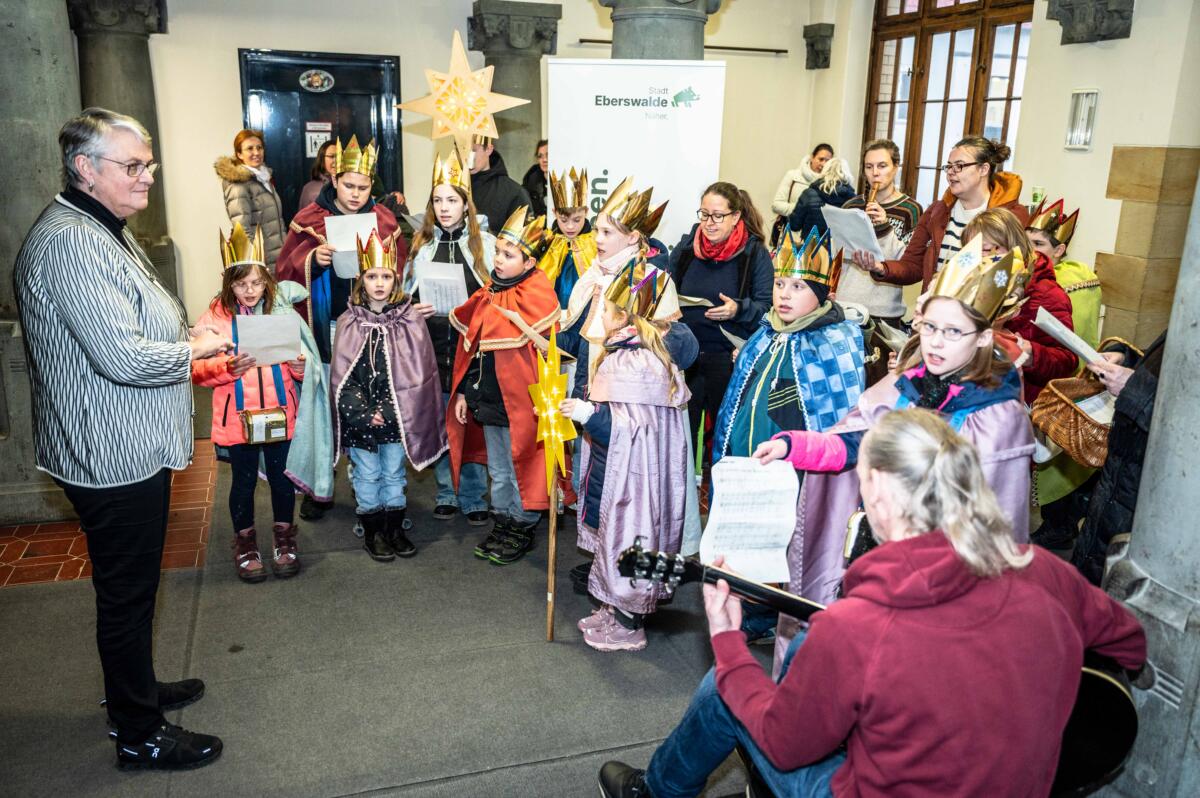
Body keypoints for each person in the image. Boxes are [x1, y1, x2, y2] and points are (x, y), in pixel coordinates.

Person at [597, 408, 1147, 798]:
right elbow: (1128, 641)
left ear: (879, 493)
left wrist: (727, 644)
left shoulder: (859, 629)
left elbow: (785, 746)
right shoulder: (1042, 567)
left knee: (727, 689)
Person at [14, 107, 229, 769]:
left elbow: (132, 323)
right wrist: (199, 350)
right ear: (85, 169)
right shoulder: (71, 240)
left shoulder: (100, 224)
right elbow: (124, 359)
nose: (147, 177)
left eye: (149, 164)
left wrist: (187, 343)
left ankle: (136, 691)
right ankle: (138, 731)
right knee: (127, 591)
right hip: (110, 450)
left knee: (131, 589)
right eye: (133, 166)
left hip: (124, 440)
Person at [753, 238, 1034, 645]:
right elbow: (857, 443)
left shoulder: (997, 417)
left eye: (953, 332)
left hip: (940, 572)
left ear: (984, 338)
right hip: (877, 550)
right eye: (930, 328)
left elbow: (995, 524)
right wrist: (793, 446)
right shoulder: (907, 386)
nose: (935, 343)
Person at [713, 228, 866, 645]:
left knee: (788, 537)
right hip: (752, 455)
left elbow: (838, 414)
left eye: (798, 286)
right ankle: (753, 603)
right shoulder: (766, 331)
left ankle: (778, 611)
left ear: (820, 292)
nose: (784, 294)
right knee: (755, 532)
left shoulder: (835, 339)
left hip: (796, 465)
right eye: (780, 284)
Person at [565, 262, 693, 652]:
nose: (599, 315)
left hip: (637, 479)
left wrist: (588, 414)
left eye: (604, 308)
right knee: (612, 537)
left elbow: (629, 428)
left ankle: (628, 623)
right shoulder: (627, 353)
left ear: (624, 318)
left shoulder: (640, 363)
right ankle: (611, 606)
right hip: (616, 468)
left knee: (631, 538)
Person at [276, 136, 405, 520]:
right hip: (329, 328)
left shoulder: (384, 221)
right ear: (334, 179)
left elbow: (400, 272)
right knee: (325, 405)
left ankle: (373, 485)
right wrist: (312, 257)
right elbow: (284, 274)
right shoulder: (311, 219)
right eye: (349, 185)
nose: (355, 194)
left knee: (368, 405)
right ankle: (319, 486)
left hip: (373, 332)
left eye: (363, 187)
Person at [448, 207, 574, 564]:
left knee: (525, 465)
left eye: (508, 255)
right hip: (488, 398)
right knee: (500, 469)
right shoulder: (488, 292)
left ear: (530, 261)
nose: (498, 260)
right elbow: (472, 348)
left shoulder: (538, 293)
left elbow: (547, 356)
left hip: (523, 403)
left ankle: (523, 524)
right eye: (498, 253)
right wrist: (461, 391)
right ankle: (502, 520)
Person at [191, 225, 311, 582]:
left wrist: (300, 367)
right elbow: (197, 370)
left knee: (281, 479)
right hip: (236, 417)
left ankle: (284, 539)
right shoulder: (213, 318)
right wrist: (227, 367)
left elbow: (304, 361)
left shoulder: (282, 311)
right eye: (241, 284)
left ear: (267, 282)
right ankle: (245, 543)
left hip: (280, 412)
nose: (249, 290)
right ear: (228, 282)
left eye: (257, 283)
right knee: (242, 482)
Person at [331, 232, 447, 561]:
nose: (379, 283)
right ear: (361, 279)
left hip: (397, 418)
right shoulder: (349, 322)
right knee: (367, 475)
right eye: (372, 276)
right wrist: (365, 412)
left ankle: (394, 528)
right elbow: (342, 377)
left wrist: (387, 410)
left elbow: (417, 376)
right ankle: (373, 531)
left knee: (394, 474)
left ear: (395, 280)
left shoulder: (409, 320)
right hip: (361, 421)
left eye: (385, 276)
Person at [405, 149, 495, 525]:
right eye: (438, 200)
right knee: (442, 417)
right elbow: (403, 298)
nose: (444, 208)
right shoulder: (421, 246)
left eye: (452, 200)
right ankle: (446, 490)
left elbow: (498, 295)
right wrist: (413, 310)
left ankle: (474, 494)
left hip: (471, 348)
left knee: (470, 418)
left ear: (465, 205)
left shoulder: (485, 245)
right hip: (433, 345)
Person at [667, 181, 773, 469]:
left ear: (736, 216)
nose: (709, 223)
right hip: (685, 360)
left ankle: (720, 503)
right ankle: (684, 508)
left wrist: (737, 309)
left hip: (729, 360)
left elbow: (767, 307)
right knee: (680, 442)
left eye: (717, 216)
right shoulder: (688, 247)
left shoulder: (754, 254)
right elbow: (664, 286)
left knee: (727, 441)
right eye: (704, 214)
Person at [1024, 198, 1104, 550]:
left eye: (1039, 244)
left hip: (1067, 382)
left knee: (1061, 454)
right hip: (1039, 376)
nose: (1030, 250)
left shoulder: (1072, 282)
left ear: (1060, 249)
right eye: (1026, 241)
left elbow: (1072, 342)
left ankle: (1061, 526)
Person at [864, 135, 1028, 290]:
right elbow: (913, 265)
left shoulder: (1011, 215)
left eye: (959, 166)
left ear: (984, 169)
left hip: (981, 314)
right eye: (949, 166)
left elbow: (1019, 270)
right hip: (933, 311)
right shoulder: (937, 212)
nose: (951, 172)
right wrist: (881, 267)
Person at [1071, 333, 1166, 584]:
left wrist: (1135, 389)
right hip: (1125, 465)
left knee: (1116, 579)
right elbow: (1168, 366)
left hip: (1154, 480)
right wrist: (1126, 357)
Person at [962, 207, 1076, 403]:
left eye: (990, 249)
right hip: (971, 394)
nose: (982, 258)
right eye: (973, 250)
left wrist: (1031, 352)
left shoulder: (1046, 293)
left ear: (1016, 248)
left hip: (1020, 401)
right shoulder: (969, 284)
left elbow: (1067, 360)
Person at [843, 139, 923, 326]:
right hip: (846, 306)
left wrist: (885, 227)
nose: (875, 173)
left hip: (884, 312)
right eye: (869, 167)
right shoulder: (851, 206)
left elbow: (907, 264)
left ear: (896, 167)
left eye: (882, 166)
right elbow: (839, 256)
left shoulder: (910, 210)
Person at [214, 129, 286, 272]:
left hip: (277, 258)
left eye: (259, 147)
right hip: (261, 263)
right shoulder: (238, 185)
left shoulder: (264, 178)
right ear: (239, 154)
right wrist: (256, 264)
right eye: (250, 149)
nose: (256, 152)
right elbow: (242, 230)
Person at [538, 167, 598, 309]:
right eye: (564, 220)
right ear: (554, 213)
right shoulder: (547, 242)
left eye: (577, 220)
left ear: (586, 212)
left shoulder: (596, 242)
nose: (570, 227)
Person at [468, 135, 531, 232]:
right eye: (461, 150)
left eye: (473, 150)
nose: (468, 158)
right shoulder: (451, 189)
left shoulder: (514, 193)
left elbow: (524, 240)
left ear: (488, 149)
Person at [787, 157, 856, 237]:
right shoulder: (853, 201)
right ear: (847, 173)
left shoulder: (809, 194)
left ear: (825, 170)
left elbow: (794, 225)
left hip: (812, 247)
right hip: (840, 248)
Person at [770, 143, 834, 220]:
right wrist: (802, 209)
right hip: (791, 229)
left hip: (817, 230)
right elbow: (776, 205)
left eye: (827, 161)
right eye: (821, 159)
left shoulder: (832, 183)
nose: (823, 164)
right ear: (812, 157)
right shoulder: (793, 176)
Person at [298, 139, 337, 210]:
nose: (336, 160)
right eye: (332, 156)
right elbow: (302, 219)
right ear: (322, 158)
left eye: (339, 156)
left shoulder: (349, 185)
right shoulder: (309, 189)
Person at [521, 138, 549, 218]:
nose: (544, 160)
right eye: (540, 156)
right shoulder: (530, 181)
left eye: (548, 155)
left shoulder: (564, 181)